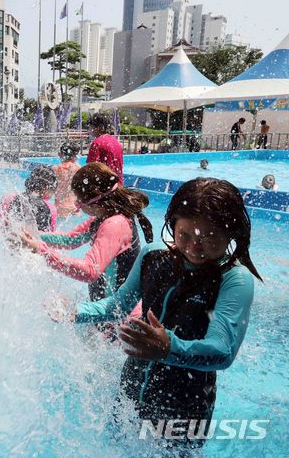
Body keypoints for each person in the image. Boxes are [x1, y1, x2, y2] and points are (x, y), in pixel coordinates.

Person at [56, 178, 260, 450]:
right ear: (172, 225)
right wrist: (74, 312)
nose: (194, 246)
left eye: (209, 237)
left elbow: (222, 351)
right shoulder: (153, 257)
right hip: (131, 390)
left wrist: (169, 348)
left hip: (184, 406)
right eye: (184, 234)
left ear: (230, 233)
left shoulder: (234, 280)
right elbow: (115, 305)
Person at [20, 163, 153, 306]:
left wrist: (42, 251)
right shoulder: (102, 218)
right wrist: (33, 236)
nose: (77, 204)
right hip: (102, 310)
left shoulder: (115, 225)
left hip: (118, 318)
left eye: (79, 201)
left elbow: (90, 271)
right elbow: (69, 240)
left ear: (94, 202)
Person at [0, 165, 58, 235]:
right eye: (53, 190)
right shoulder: (51, 208)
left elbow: (2, 225)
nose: (53, 194)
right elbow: (50, 236)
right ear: (45, 188)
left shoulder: (9, 198)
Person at [86, 113, 124, 184]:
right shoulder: (116, 142)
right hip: (118, 185)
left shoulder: (96, 143)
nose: (89, 130)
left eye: (91, 127)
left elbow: (90, 168)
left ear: (99, 128)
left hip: (104, 187)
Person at [53, 142, 82, 218]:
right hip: (74, 207)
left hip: (59, 208)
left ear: (60, 154)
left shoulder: (55, 169)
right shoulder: (78, 169)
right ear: (75, 156)